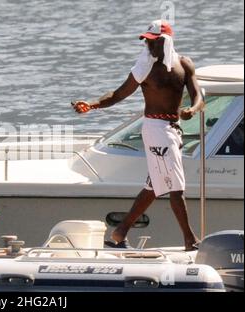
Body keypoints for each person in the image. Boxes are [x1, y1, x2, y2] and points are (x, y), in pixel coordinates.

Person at [72, 20, 204, 251]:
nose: (149, 46)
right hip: (156, 130)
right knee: (176, 187)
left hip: (173, 130)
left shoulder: (184, 64)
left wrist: (192, 110)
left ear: (166, 41)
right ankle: (190, 240)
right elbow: (118, 94)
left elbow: (198, 96)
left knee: (154, 186)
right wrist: (92, 105)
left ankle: (119, 232)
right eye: (146, 41)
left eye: (153, 41)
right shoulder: (145, 67)